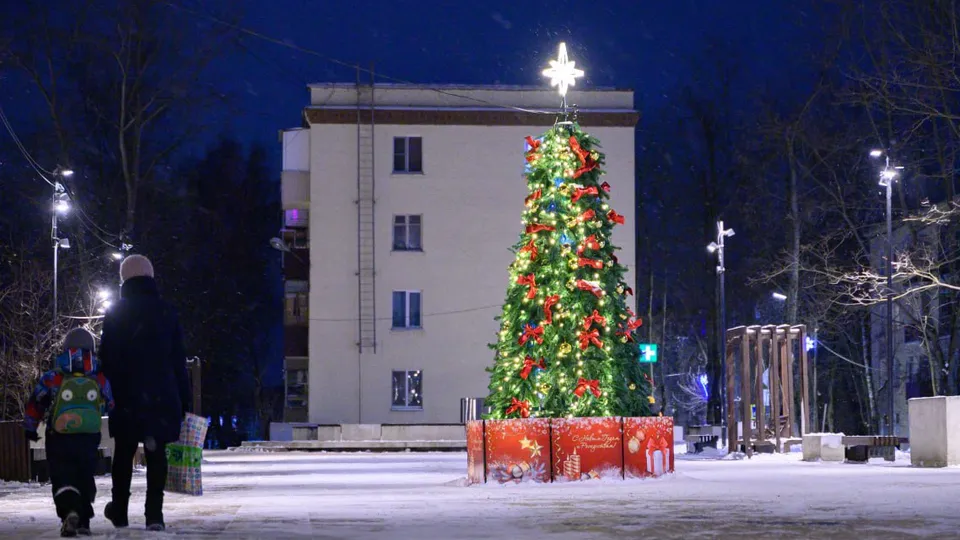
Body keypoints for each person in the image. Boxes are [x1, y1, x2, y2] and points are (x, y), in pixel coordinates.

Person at [100, 254, 191, 532]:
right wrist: (184, 401)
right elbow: (178, 360)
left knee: (124, 452)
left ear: (124, 279)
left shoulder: (116, 313)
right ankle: (154, 515)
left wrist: (108, 394)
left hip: (126, 396)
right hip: (161, 396)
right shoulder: (167, 311)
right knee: (156, 453)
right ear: (151, 277)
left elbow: (106, 359)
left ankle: (120, 510)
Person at [23, 327, 115, 537]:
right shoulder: (99, 377)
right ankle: (84, 521)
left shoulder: (54, 377)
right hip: (89, 437)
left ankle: (69, 510)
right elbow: (111, 403)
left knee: (62, 475)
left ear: (66, 348)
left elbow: (36, 402)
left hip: (59, 437)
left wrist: (30, 427)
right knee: (84, 475)